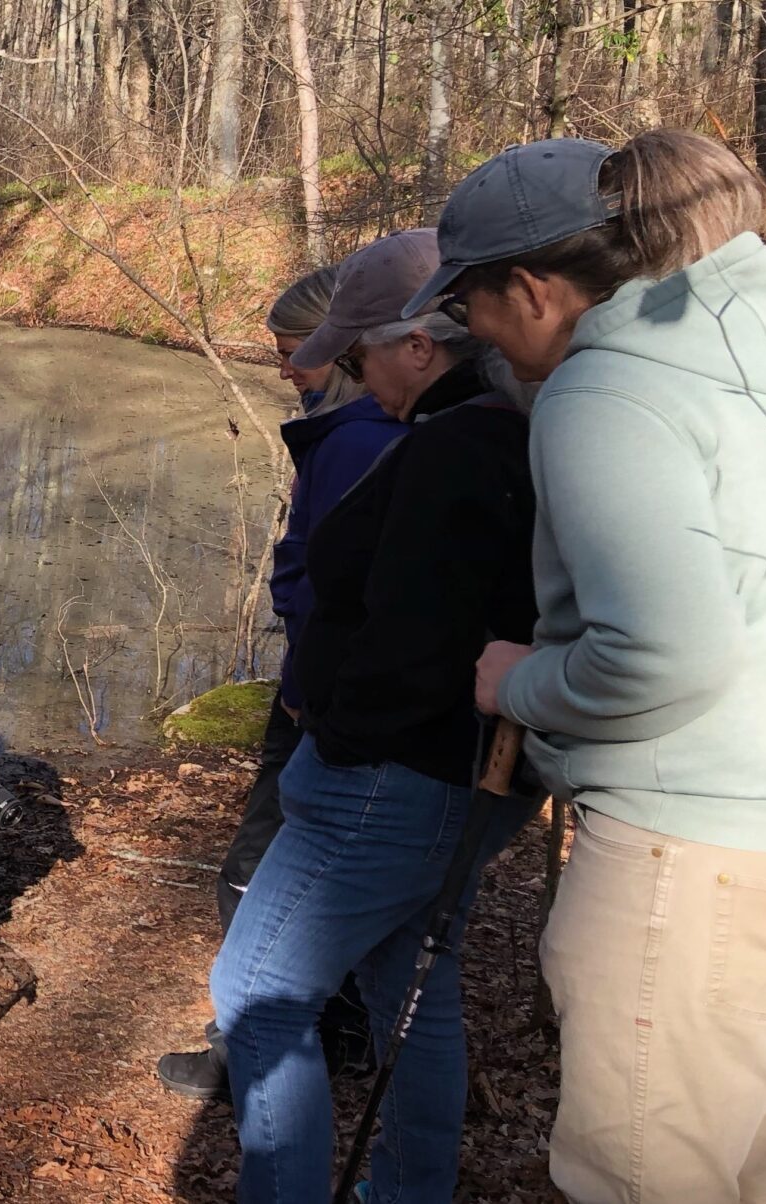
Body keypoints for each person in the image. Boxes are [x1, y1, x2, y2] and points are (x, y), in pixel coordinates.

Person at [431, 134, 766, 1204]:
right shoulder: (742, 341)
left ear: (531, 289)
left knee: (646, 1174)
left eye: (470, 307)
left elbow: (669, 648)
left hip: (685, 855)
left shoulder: (605, 391)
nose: (466, 335)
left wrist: (517, 684)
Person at [207, 227, 538, 1204]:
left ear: (419, 346)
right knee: (412, 985)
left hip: (394, 780)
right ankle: (403, 1190)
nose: (356, 378)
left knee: (256, 993)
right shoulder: (504, 434)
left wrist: (335, 737)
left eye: (360, 357)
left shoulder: (457, 451)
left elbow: (410, 633)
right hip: (450, 775)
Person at [157, 265, 402, 1100]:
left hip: (324, 698)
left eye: (296, 352)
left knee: (258, 868)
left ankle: (257, 1040)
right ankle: (336, 1028)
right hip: (335, 691)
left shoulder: (360, 441)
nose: (286, 369)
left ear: (346, 349)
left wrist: (301, 688)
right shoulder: (359, 429)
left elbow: (329, 586)